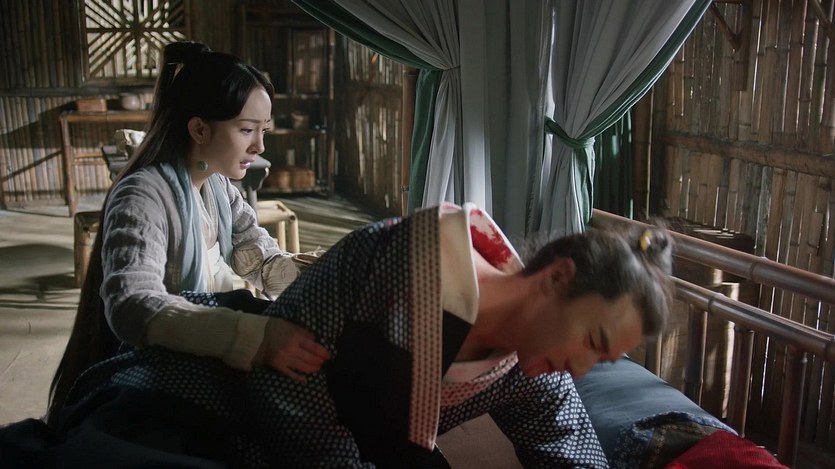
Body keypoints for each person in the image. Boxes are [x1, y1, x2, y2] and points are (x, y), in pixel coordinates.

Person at [43, 202, 673, 468]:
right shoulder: (393, 259)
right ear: (557, 279)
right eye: (594, 341)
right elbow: (285, 387)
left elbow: (568, 446)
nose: (583, 368)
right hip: (229, 397)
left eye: (603, 360)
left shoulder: (533, 368)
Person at [46, 41, 330, 425]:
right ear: (199, 128)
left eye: (263, 130)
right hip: (155, 367)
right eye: (247, 129)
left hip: (204, 355)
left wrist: (325, 274)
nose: (259, 146)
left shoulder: (219, 187)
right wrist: (253, 338)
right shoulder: (143, 195)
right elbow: (132, 304)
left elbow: (260, 261)